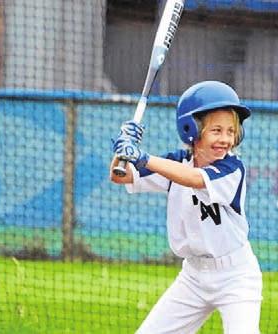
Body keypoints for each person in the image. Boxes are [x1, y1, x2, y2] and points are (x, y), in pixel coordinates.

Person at [110, 80, 262, 334]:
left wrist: (144, 157)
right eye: (216, 130)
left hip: (236, 275)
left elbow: (192, 178)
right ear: (191, 128)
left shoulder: (232, 169)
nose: (225, 139)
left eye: (230, 131)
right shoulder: (176, 162)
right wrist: (124, 147)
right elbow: (120, 175)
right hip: (193, 277)